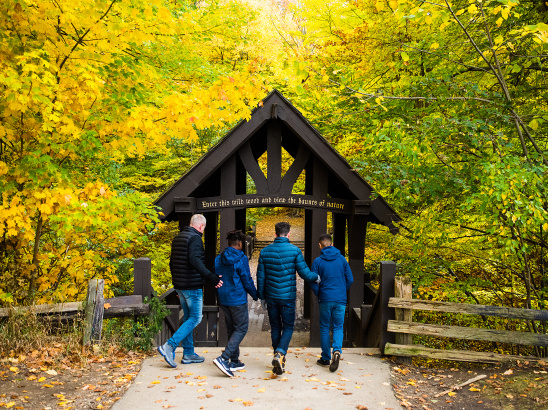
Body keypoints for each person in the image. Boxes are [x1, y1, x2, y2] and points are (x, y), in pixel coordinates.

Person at [158, 214, 223, 368]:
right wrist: (211, 277)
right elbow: (195, 261)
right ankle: (169, 345)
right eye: (204, 228)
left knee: (188, 317)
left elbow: (171, 262)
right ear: (201, 226)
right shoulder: (195, 239)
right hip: (192, 286)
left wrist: (176, 283)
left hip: (180, 286)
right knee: (195, 318)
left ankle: (188, 353)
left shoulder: (179, 238)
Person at [257, 221, 319, 375]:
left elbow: (260, 277)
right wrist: (316, 277)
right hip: (288, 297)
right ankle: (280, 353)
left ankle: (279, 359)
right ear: (288, 234)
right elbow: (304, 273)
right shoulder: (295, 251)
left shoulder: (265, 252)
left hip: (271, 296)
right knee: (289, 327)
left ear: (275, 233)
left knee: (275, 327)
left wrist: (262, 297)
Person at [213, 230, 258, 378]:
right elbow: (246, 279)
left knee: (232, 328)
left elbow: (216, 277)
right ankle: (224, 358)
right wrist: (255, 294)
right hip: (237, 298)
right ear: (239, 243)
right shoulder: (241, 258)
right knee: (242, 328)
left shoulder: (218, 259)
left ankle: (234, 360)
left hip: (223, 298)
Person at [310, 233, 353, 372]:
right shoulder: (342, 259)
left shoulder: (318, 262)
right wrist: (341, 290)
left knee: (324, 327)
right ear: (332, 244)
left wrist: (319, 292)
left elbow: (313, 281)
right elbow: (350, 279)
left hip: (325, 298)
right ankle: (337, 351)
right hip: (340, 299)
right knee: (338, 326)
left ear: (320, 245)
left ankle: (325, 358)